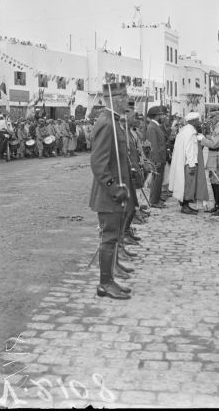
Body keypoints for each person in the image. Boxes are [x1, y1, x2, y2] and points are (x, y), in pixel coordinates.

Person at [89, 82, 134, 300]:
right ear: (116, 99)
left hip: (117, 192)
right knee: (108, 238)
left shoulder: (115, 122)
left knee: (113, 237)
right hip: (109, 195)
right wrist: (113, 188)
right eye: (125, 96)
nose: (128, 99)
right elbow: (98, 163)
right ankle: (104, 284)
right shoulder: (107, 123)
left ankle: (109, 279)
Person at [169, 112, 209, 214]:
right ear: (194, 121)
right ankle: (185, 206)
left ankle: (184, 205)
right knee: (189, 185)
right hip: (189, 162)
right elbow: (189, 149)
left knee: (186, 184)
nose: (199, 122)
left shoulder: (184, 130)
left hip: (184, 162)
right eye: (198, 120)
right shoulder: (190, 132)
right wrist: (192, 164)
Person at [198, 110, 219, 216]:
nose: (209, 120)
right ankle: (217, 205)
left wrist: (203, 139)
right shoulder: (216, 127)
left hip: (218, 156)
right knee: (213, 181)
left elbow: (214, 144)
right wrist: (207, 137)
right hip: (214, 156)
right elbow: (213, 139)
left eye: (211, 117)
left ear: (217, 117)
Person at [146, 106, 167, 208]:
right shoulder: (152, 127)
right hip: (157, 159)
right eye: (161, 115)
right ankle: (154, 201)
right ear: (156, 116)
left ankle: (156, 199)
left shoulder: (156, 126)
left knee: (159, 180)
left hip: (161, 157)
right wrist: (157, 160)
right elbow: (153, 145)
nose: (163, 116)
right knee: (156, 180)